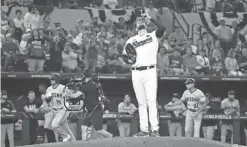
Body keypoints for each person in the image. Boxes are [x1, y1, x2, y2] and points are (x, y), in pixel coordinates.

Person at [122, 12, 166, 137]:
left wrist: (150, 18)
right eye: (138, 22)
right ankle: (144, 130)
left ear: (146, 24)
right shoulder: (131, 40)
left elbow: (162, 28)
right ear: (136, 27)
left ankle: (155, 129)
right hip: (136, 73)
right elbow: (125, 57)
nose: (140, 23)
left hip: (150, 71)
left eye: (142, 21)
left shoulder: (152, 35)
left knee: (151, 100)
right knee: (141, 102)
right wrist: (128, 60)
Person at [67, 69, 113, 140]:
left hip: (96, 110)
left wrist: (66, 94)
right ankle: (85, 144)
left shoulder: (87, 86)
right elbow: (103, 97)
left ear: (84, 76)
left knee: (99, 130)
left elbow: (75, 96)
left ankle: (111, 138)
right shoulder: (95, 84)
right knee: (84, 127)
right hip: (90, 111)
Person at [45, 73, 76, 142]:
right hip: (54, 110)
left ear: (57, 80)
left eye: (52, 79)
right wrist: (48, 97)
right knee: (66, 129)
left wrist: (67, 94)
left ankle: (65, 136)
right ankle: (74, 142)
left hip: (62, 110)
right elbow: (47, 101)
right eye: (51, 79)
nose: (51, 80)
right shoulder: (49, 89)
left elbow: (73, 94)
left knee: (54, 125)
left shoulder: (63, 87)